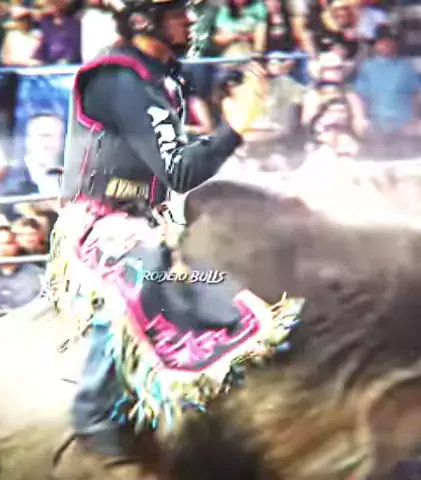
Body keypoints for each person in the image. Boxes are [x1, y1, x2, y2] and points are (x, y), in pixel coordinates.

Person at [45, 0, 263, 457]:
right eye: (177, 12)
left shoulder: (159, 76)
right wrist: (233, 131)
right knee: (142, 272)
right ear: (144, 20)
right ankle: (94, 413)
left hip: (147, 219)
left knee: (222, 282)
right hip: (96, 222)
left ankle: (211, 407)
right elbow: (179, 171)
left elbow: (172, 169)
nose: (190, 20)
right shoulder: (119, 78)